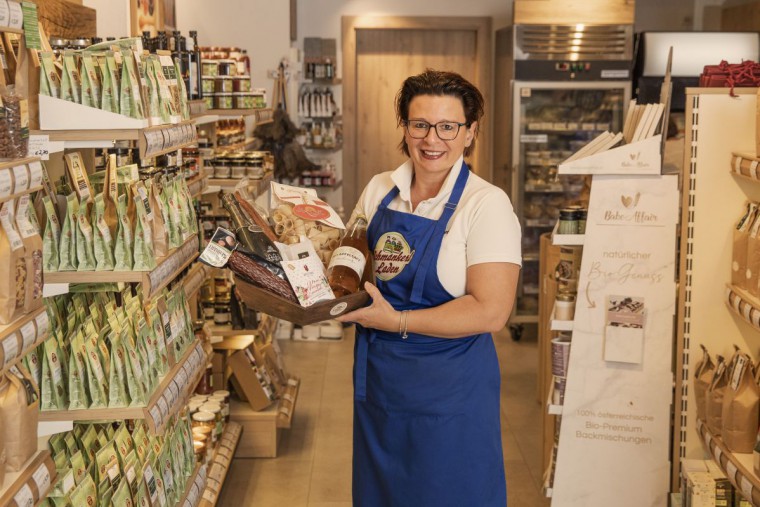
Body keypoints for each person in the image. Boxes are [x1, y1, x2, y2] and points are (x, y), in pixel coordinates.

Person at [336, 69, 522, 506]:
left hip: (450, 399)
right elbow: (350, 264)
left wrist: (397, 319)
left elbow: (492, 311)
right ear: (404, 127)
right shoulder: (381, 190)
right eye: (419, 124)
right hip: (381, 389)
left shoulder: (486, 205)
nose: (431, 139)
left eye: (447, 126)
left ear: (470, 132)